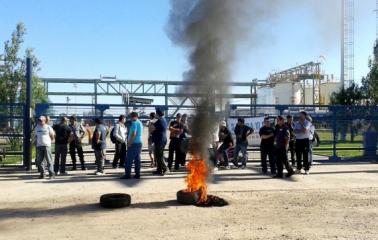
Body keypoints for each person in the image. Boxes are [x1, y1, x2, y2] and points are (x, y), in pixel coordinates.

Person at [121, 112, 143, 179]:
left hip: (134, 143)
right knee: (137, 159)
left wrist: (129, 143)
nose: (130, 118)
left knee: (129, 160)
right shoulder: (140, 123)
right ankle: (137, 174)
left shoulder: (134, 123)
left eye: (131, 117)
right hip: (139, 143)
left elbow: (134, 134)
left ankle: (127, 174)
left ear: (133, 117)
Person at [152, 109, 168, 176]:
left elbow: (151, 127)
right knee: (157, 155)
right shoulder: (162, 120)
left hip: (160, 140)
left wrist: (152, 121)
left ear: (157, 114)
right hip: (160, 140)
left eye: (156, 114)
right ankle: (159, 169)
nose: (155, 115)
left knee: (160, 155)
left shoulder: (160, 121)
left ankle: (165, 169)